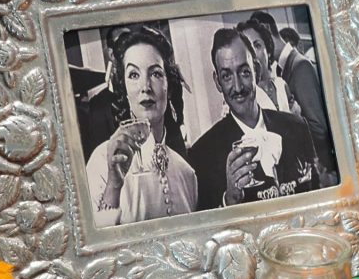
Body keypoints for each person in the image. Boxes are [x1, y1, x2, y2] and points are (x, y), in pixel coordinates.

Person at [189, 28, 320, 210]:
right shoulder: (203, 154)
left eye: (244, 72)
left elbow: (318, 195)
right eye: (226, 76)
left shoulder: (297, 127)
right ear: (218, 81)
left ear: (256, 71)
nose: (237, 87)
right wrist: (229, 200)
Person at [86, 25, 197, 226]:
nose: (145, 87)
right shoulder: (101, 163)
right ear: (124, 88)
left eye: (155, 74)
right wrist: (114, 185)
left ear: (168, 87)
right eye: (134, 75)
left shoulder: (186, 173)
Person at [251, 11, 336, 180]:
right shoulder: (284, 70)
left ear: (267, 30)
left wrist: (288, 126)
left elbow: (319, 128)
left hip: (321, 170)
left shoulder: (300, 66)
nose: (253, 54)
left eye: (256, 44)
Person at [237, 18, 300, 116]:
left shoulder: (281, 85)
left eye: (257, 45)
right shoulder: (242, 96)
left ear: (268, 51)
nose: (252, 54)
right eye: (247, 49)